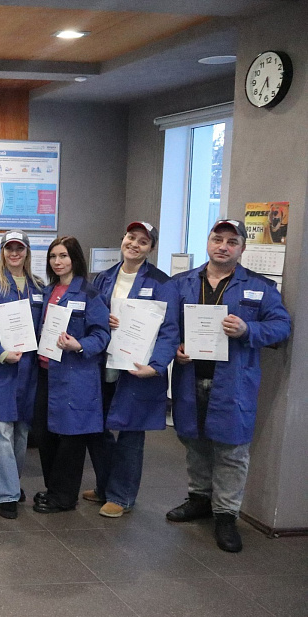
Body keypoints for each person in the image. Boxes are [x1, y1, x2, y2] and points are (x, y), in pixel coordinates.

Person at [167, 219, 290, 553]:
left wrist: (248, 330)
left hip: (233, 382)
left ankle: (225, 514)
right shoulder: (181, 283)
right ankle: (199, 499)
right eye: (217, 239)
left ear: (242, 248)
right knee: (193, 441)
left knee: (231, 450)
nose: (223, 246)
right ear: (208, 242)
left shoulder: (260, 287)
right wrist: (176, 347)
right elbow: (166, 326)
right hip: (189, 376)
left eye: (231, 242)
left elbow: (281, 327)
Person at [84, 222, 178, 518]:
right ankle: (104, 486)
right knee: (97, 429)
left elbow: (170, 330)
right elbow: (92, 314)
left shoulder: (162, 284)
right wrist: (103, 319)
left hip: (138, 369)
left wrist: (157, 366)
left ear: (151, 248)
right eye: (131, 237)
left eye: (143, 241)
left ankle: (121, 496)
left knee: (131, 433)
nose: (134, 244)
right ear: (123, 239)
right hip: (104, 363)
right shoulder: (104, 278)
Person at [32, 236, 110, 514]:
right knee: (45, 435)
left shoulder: (89, 294)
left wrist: (79, 345)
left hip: (75, 374)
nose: (57, 261)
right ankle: (53, 489)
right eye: (53, 256)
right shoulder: (47, 291)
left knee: (71, 438)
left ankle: (65, 497)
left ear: (75, 258)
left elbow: (102, 334)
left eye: (63, 256)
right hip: (46, 372)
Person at [0, 231, 44, 519]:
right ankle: (6, 495)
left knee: (20, 432)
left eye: (19, 248)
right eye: (9, 248)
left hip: (28, 371)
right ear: (2, 252)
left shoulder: (38, 286)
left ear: (27, 251)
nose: (14, 253)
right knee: (0, 431)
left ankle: (4, 481)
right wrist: (1, 353)